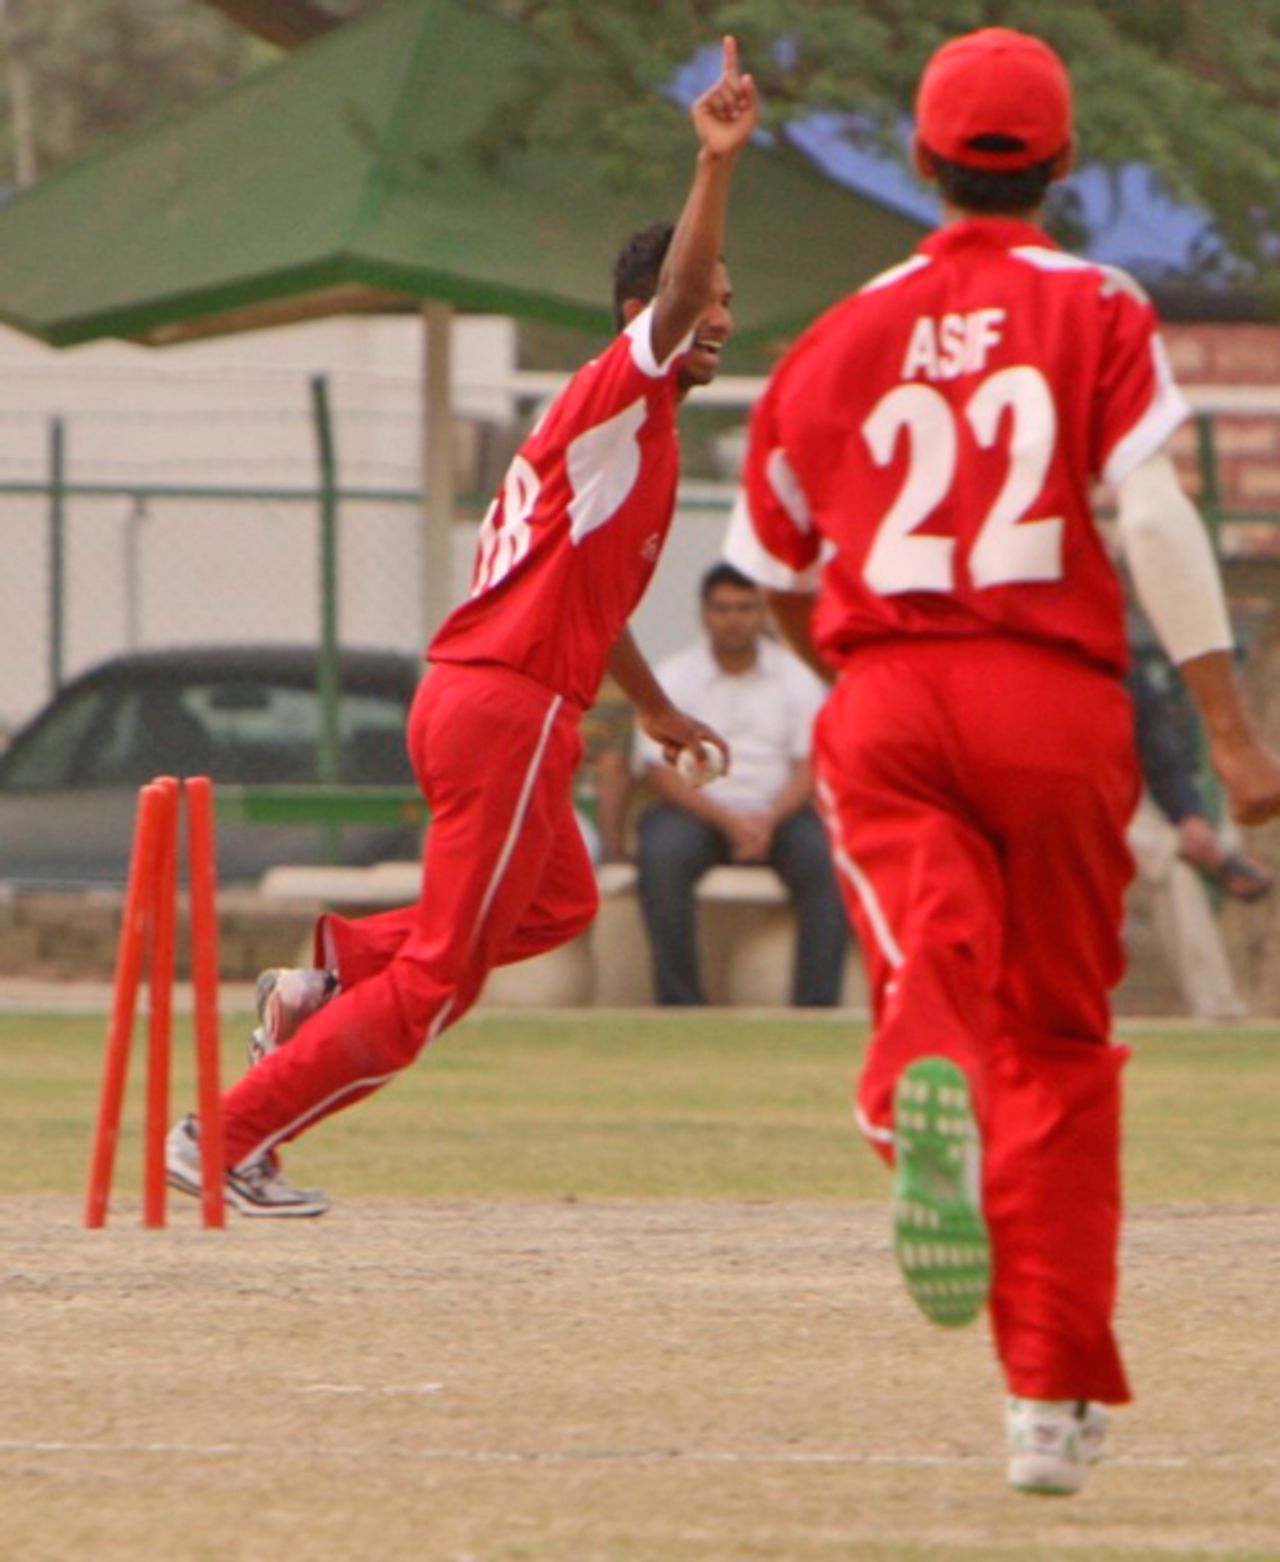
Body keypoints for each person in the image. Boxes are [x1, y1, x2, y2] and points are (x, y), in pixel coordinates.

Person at [723, 27, 1280, 1496]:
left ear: (920, 160)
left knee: (932, 953)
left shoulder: (836, 337)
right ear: (1064, 163)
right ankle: (1046, 1399)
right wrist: (1228, 728)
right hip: (1059, 708)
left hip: (892, 692)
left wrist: (868, 674)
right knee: (1059, 1050)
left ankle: (906, 1088)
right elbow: (1150, 518)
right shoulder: (1096, 304)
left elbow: (775, 565)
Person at [166, 38, 760, 1217]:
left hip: (476, 694)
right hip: (509, 708)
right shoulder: (620, 393)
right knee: (443, 977)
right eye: (709, 299)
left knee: (556, 903)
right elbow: (674, 297)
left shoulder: (623, 438)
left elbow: (590, 596)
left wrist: (648, 702)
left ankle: (325, 978)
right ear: (642, 314)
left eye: (730, 305)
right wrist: (714, 164)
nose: (721, 318)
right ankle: (224, 1136)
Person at [633, 562, 847, 1005]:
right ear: (704, 613)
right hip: (698, 814)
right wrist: (729, 821)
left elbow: (811, 763)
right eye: (723, 608)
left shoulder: (797, 675)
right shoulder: (673, 676)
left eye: (745, 608)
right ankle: (681, 1007)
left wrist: (767, 819)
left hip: (782, 814)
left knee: (828, 856)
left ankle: (814, 1009)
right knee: (660, 852)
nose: (733, 619)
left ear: (763, 613)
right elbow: (657, 771)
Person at [1127, 651, 1271, 1020]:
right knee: (1165, 852)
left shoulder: (1111, 658)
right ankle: (1210, 857)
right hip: (1025, 805)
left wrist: (1186, 815)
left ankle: (1218, 1009)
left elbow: (1155, 743)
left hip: (1110, 805)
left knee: (1174, 873)